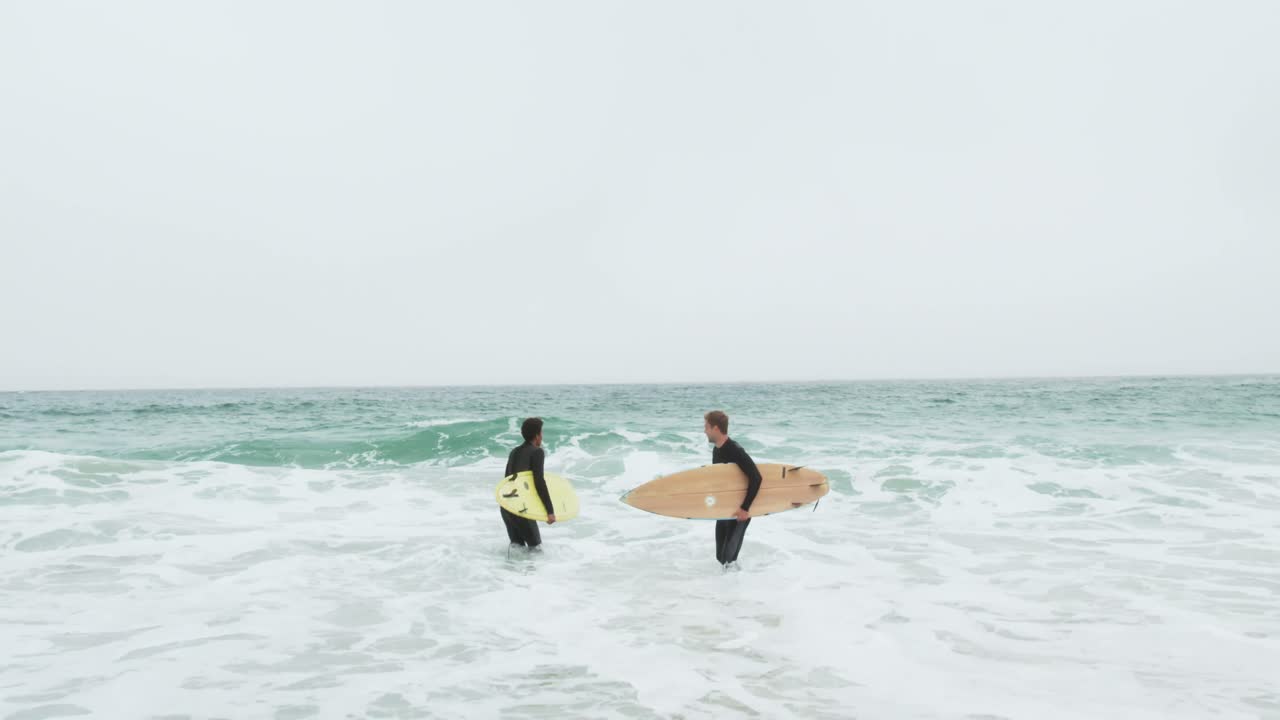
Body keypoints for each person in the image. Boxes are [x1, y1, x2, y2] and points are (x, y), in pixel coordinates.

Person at [704, 410, 761, 567]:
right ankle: (730, 582)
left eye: (706, 427)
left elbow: (756, 477)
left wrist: (744, 508)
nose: (704, 431)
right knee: (720, 558)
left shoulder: (735, 450)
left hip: (739, 512)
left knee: (729, 560)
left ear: (716, 428)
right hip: (724, 509)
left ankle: (739, 579)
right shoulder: (717, 450)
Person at [501, 417, 556, 549]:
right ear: (537, 436)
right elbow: (539, 481)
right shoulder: (537, 452)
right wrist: (550, 511)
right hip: (521, 507)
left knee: (517, 548)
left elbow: (507, 480)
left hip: (506, 506)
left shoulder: (514, 451)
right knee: (535, 549)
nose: (542, 436)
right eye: (541, 433)